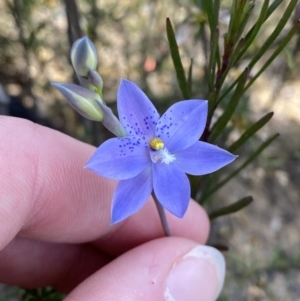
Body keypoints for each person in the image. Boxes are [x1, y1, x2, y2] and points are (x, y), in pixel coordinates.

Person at [0, 116, 225, 301]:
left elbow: (196, 118)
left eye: (159, 144)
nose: (158, 146)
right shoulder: (131, 162)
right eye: (155, 144)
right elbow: (105, 164)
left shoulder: (178, 141)